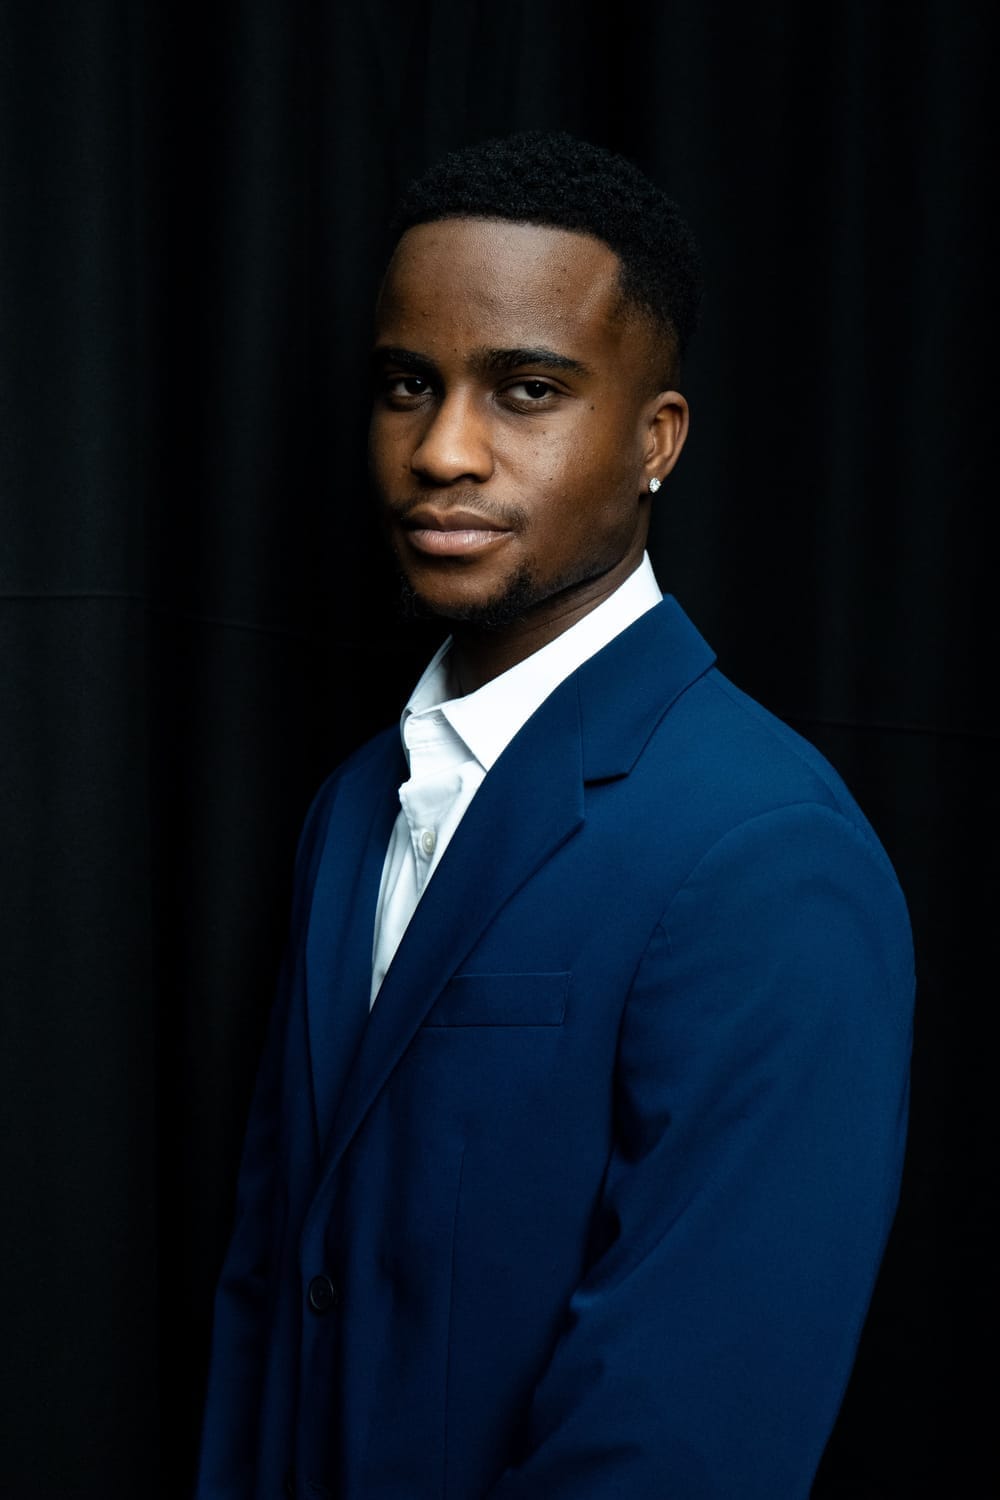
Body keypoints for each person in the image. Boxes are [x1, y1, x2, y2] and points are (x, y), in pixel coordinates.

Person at [194, 132, 914, 1500]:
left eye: (526, 390)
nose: (441, 450)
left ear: (656, 440)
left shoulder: (767, 852)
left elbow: (688, 1439)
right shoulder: (353, 805)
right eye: (408, 385)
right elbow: (274, 1296)